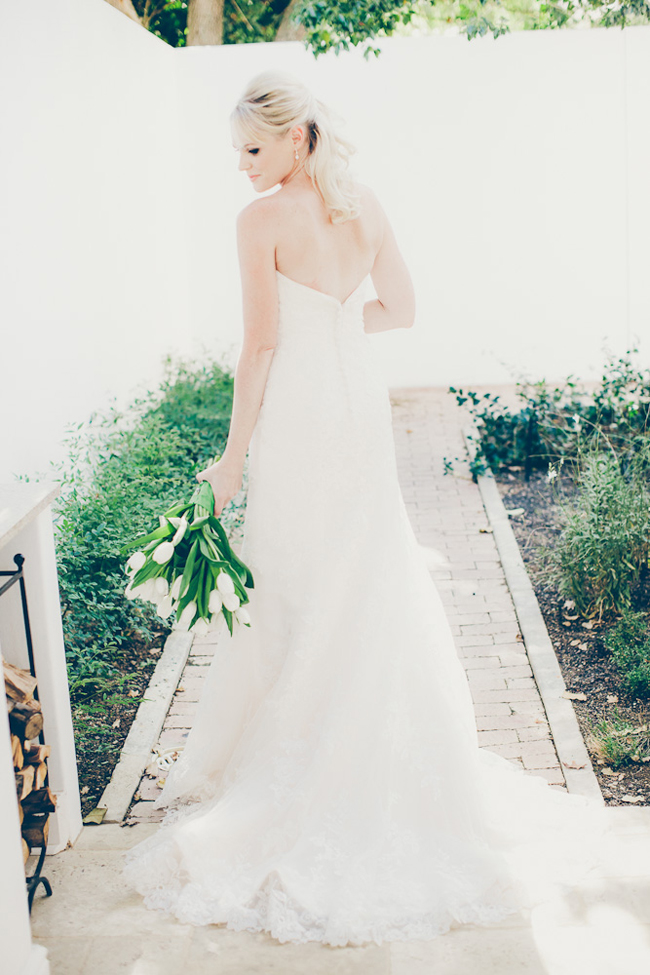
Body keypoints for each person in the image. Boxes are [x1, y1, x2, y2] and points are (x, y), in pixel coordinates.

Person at [122, 70, 609, 947]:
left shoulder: (260, 221)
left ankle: (306, 769)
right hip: (357, 413)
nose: (240, 165)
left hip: (303, 421)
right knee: (366, 582)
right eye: (236, 151)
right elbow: (403, 309)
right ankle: (379, 763)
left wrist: (231, 459)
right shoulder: (367, 203)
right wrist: (339, 328)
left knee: (300, 586)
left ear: (296, 137)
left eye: (252, 147)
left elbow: (260, 346)